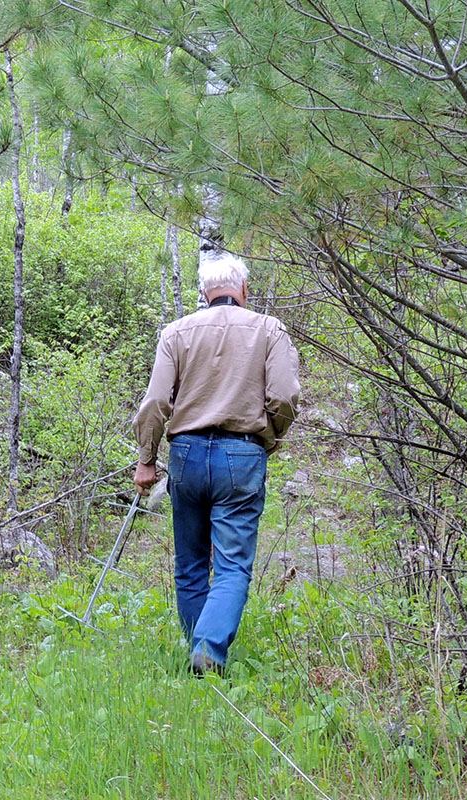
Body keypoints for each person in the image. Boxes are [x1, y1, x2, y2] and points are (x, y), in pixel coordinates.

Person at [133, 253, 300, 676]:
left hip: (186, 454)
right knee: (231, 566)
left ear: (205, 293)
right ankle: (207, 652)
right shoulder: (270, 330)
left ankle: (198, 650)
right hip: (242, 454)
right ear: (244, 290)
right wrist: (272, 436)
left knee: (189, 564)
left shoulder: (176, 332)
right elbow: (283, 396)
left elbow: (155, 402)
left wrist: (146, 460)